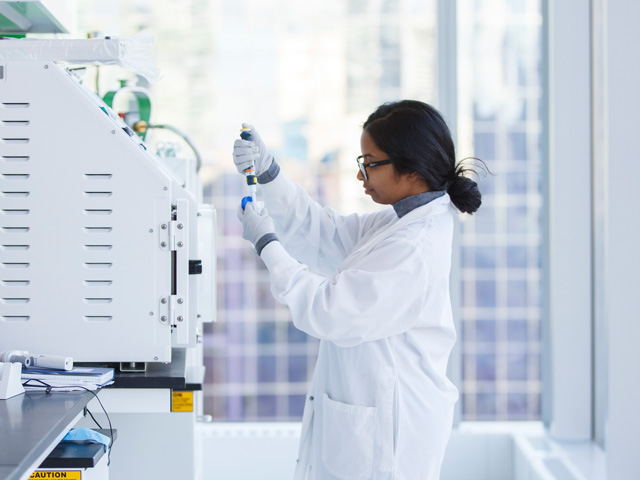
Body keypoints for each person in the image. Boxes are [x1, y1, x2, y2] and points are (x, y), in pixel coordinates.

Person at [233, 100, 483, 480]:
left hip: (389, 433)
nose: (360, 175)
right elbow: (328, 234)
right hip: (372, 418)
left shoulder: (413, 247)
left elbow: (331, 311)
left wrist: (268, 245)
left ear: (411, 169)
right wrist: (270, 176)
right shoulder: (401, 222)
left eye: (370, 163)